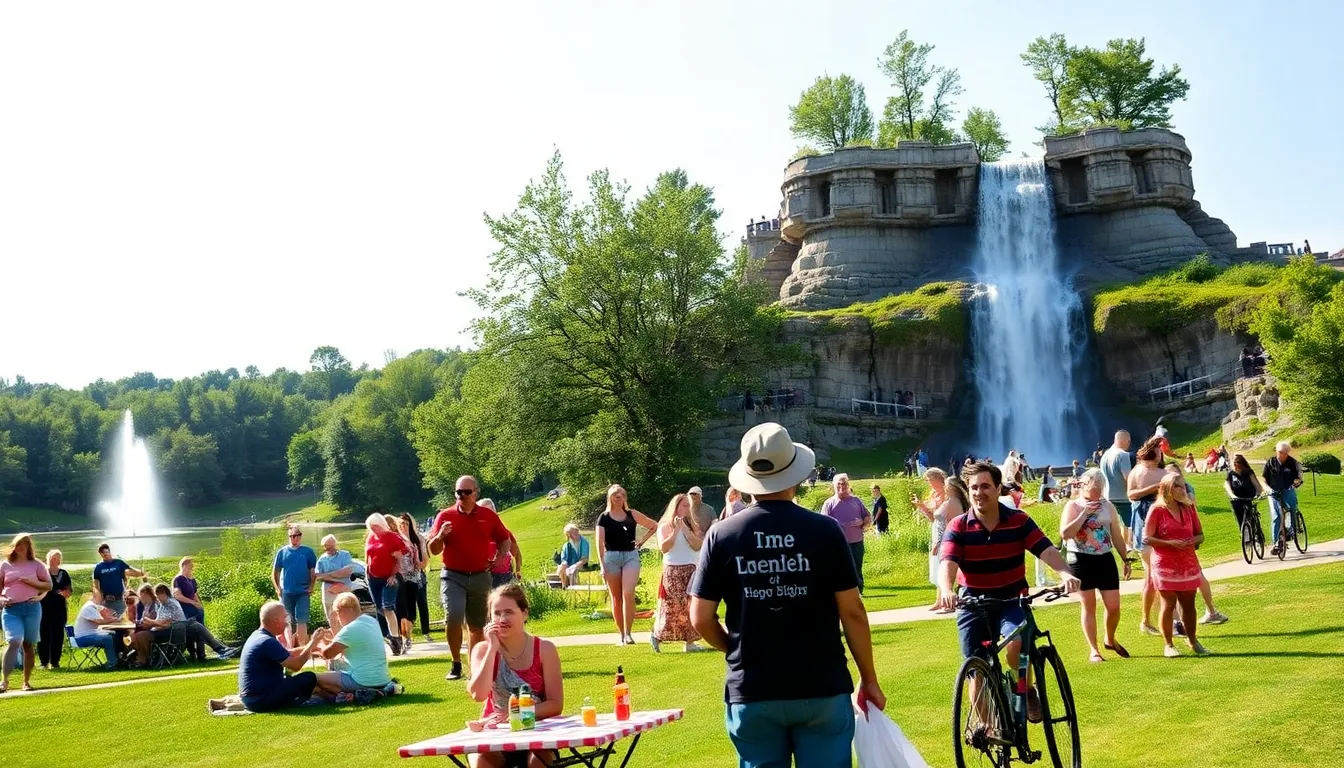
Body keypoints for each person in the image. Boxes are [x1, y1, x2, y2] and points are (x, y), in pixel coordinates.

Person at [689, 422, 886, 767]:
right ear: (794, 476)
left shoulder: (721, 535)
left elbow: (700, 618)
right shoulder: (824, 531)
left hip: (752, 688)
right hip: (821, 685)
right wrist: (868, 679)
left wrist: (733, 647)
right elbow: (852, 611)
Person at [935, 463, 1080, 723]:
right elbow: (948, 562)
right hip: (972, 604)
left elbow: (1045, 549)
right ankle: (988, 731)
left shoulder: (1018, 520)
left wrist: (1065, 573)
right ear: (968, 491)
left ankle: (1024, 689)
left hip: (1012, 599)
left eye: (986, 486)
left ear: (998, 488)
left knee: (1016, 642)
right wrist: (946, 589)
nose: (980, 493)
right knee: (975, 668)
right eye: (974, 488)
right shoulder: (958, 526)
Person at [428, 475, 516, 681]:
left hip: (480, 576)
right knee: (454, 617)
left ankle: (474, 666)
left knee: (477, 626)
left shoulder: (487, 516)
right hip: (453, 575)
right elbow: (432, 549)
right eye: (459, 492)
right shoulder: (445, 516)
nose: (463, 496)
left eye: (467, 492)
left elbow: (505, 539)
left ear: (476, 492)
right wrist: (440, 535)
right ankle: (455, 663)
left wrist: (500, 557)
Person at [465, 584, 564, 767]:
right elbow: (478, 694)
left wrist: (519, 714)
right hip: (496, 735)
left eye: (509, 612)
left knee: (537, 761)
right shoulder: (482, 650)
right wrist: (492, 649)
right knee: (478, 759)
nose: (502, 619)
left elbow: (556, 704)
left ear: (524, 613)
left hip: (537, 733)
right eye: (497, 613)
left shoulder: (544, 649)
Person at [1060, 469, 1133, 663]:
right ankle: (1094, 650)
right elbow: (1066, 534)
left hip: (1104, 558)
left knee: (1114, 606)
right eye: (1094, 487)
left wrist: (1126, 559)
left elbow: (1116, 534)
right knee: (1089, 605)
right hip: (1081, 559)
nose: (1097, 492)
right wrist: (1084, 514)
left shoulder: (1107, 505)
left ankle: (1110, 638)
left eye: (1100, 488)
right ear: (1084, 485)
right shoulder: (1073, 505)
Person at [1145, 475, 1210, 657]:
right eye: (1178, 487)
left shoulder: (1189, 508)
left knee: (1189, 604)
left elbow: (1200, 535)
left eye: (1183, 486)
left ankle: (1193, 640)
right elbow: (1147, 538)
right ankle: (1169, 644)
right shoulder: (1157, 510)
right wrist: (1170, 543)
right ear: (1167, 489)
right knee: (1168, 604)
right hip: (1164, 563)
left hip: (1187, 562)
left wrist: (1192, 540)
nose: (1183, 490)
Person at [238, 601, 339, 712]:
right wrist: (312, 643)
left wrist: (315, 646)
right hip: (260, 701)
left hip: (253, 699)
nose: (287, 623)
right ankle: (316, 699)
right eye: (285, 618)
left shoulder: (258, 636)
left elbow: (288, 653)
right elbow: (296, 666)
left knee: (294, 679)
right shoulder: (267, 641)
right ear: (275, 621)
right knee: (310, 677)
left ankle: (332, 697)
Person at [596, 484, 658, 646]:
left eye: (621, 494)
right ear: (610, 497)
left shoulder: (632, 514)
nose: (618, 497)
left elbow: (654, 526)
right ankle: (621, 635)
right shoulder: (604, 517)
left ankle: (629, 634)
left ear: (625, 497)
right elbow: (599, 543)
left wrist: (641, 542)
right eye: (615, 494)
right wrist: (602, 565)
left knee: (628, 593)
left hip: (631, 555)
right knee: (616, 598)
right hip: (611, 557)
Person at [650, 493, 707, 653]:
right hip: (673, 571)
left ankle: (690, 642)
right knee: (673, 607)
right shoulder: (664, 526)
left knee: (691, 605)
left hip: (691, 569)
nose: (687, 509)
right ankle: (657, 635)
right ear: (676, 508)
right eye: (684, 505)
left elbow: (698, 546)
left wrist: (685, 529)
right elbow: (664, 548)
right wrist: (675, 531)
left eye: (688, 506)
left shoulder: (692, 524)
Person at [315, 593, 396, 699]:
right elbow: (355, 645)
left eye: (338, 612)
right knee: (338, 667)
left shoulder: (350, 629)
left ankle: (348, 696)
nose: (337, 617)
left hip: (362, 681)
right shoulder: (371, 621)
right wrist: (330, 641)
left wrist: (319, 642)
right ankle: (369, 692)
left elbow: (327, 654)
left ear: (348, 609)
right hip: (383, 679)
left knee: (313, 678)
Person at [2, 533, 51, 692]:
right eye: (18, 544)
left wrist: (32, 583)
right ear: (14, 546)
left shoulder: (36, 564)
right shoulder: (5, 565)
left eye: (24, 544)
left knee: (28, 644)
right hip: (11, 609)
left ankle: (26, 682)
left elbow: (48, 585)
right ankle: (4, 681)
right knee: (14, 640)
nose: (20, 547)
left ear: (29, 547)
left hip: (32, 609)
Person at [1128, 436, 1167, 636]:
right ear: (1155, 453)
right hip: (1156, 525)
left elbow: (1131, 495)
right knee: (1158, 575)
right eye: (1160, 450)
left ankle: (1149, 619)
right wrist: (1153, 488)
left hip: (1140, 525)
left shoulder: (1135, 472)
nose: (1162, 453)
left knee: (1150, 575)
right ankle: (1167, 619)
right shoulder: (1163, 473)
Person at [364, 514, 408, 655]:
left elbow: (400, 557)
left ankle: (395, 638)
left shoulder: (392, 537)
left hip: (389, 578)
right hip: (373, 577)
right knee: (378, 607)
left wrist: (393, 574)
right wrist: (367, 570)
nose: (374, 530)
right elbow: (368, 555)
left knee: (388, 607)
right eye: (371, 527)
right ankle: (390, 635)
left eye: (376, 527)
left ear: (382, 525)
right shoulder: (371, 537)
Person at [821, 473, 871, 593]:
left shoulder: (856, 501)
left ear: (848, 485)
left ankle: (859, 592)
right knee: (840, 569)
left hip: (856, 542)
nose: (842, 487)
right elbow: (823, 525)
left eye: (844, 484)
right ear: (834, 485)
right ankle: (842, 593)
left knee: (857, 568)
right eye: (839, 484)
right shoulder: (829, 503)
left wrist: (862, 523)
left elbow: (868, 517)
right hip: (838, 544)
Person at [927, 478, 969, 613]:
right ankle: (941, 600)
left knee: (946, 570)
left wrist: (938, 542)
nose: (944, 487)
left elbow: (949, 525)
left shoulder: (952, 502)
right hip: (945, 539)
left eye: (946, 485)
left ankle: (948, 603)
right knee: (942, 570)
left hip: (947, 540)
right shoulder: (950, 501)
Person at [271, 525, 317, 647]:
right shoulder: (282, 552)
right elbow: (275, 572)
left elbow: (313, 572)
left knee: (302, 620)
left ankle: (303, 649)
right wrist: (277, 588)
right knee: (286, 620)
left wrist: (312, 586)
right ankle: (288, 648)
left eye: (295, 536)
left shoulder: (308, 552)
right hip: (286, 591)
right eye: (291, 536)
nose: (293, 538)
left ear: (300, 536)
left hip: (303, 591)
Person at [1262, 441, 1304, 556]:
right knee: (1276, 517)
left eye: (1285, 452)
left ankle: (1292, 531)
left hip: (1287, 489)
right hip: (1274, 492)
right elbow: (1265, 478)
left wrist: (1297, 481)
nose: (1282, 454)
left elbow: (1299, 475)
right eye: (1280, 452)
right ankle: (1276, 542)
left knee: (1292, 509)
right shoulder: (1270, 462)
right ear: (1277, 451)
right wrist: (1267, 488)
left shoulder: (1293, 463)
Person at [399, 513, 433, 641]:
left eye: (406, 524)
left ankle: (426, 632)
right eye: (401, 524)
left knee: (422, 602)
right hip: (403, 577)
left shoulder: (418, 539)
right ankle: (407, 635)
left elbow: (424, 557)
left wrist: (421, 564)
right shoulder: (398, 539)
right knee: (407, 606)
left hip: (418, 575)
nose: (404, 526)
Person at [912, 468, 949, 585]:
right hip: (936, 527)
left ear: (937, 479)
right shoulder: (933, 494)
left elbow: (943, 516)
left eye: (930, 480)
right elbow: (932, 518)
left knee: (942, 559)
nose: (929, 483)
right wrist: (921, 506)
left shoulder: (947, 493)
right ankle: (939, 598)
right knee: (936, 561)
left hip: (945, 528)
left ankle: (944, 595)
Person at [37, 548, 72, 670]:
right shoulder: (43, 573)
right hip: (44, 608)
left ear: (59, 561)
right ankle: (43, 662)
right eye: (52, 558)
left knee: (58, 636)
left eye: (57, 558)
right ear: (48, 559)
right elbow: (38, 589)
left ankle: (55, 661)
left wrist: (65, 592)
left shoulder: (64, 573)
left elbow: (69, 590)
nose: (54, 560)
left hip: (59, 609)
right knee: (43, 634)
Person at [92, 542, 144, 619]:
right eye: (103, 553)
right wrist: (99, 600)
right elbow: (96, 586)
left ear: (109, 551)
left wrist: (141, 573)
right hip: (106, 601)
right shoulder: (98, 567)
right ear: (100, 554)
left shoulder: (118, 562)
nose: (105, 554)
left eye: (106, 552)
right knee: (109, 621)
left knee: (121, 620)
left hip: (119, 599)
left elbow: (130, 570)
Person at [70, 590, 121, 669]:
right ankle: (112, 663)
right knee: (107, 638)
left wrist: (110, 615)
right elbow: (98, 621)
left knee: (116, 635)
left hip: (90, 634)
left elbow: (104, 614)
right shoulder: (89, 607)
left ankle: (120, 659)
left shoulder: (94, 606)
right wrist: (114, 619)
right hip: (82, 638)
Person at [315, 534, 356, 629]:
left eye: (331, 546)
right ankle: (336, 637)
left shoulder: (345, 555)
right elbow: (318, 576)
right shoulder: (322, 559)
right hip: (328, 591)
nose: (329, 549)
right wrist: (335, 578)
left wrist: (329, 574)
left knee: (346, 615)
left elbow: (348, 571)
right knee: (331, 617)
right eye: (327, 547)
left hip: (344, 589)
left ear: (335, 545)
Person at [480, 499, 522, 589]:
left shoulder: (505, 533)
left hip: (504, 577)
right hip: (482, 578)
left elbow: (517, 554)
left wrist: (518, 572)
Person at [1099, 431, 1133, 542]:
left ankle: (1112, 544)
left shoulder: (1105, 455)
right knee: (1127, 524)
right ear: (1123, 440)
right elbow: (1127, 477)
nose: (1129, 444)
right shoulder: (1123, 455)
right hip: (1123, 496)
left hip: (1108, 495)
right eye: (1128, 441)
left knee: (1113, 524)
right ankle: (1127, 546)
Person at [1224, 453, 1263, 530]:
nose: (1235, 464)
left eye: (1237, 462)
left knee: (1250, 518)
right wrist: (1232, 495)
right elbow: (1227, 485)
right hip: (1237, 500)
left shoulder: (1248, 472)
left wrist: (1258, 494)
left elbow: (1256, 484)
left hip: (1248, 498)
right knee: (1241, 521)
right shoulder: (1230, 474)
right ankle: (1243, 535)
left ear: (1242, 463)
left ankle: (1254, 533)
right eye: (1234, 462)